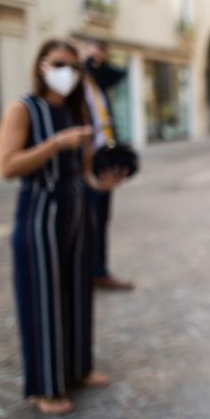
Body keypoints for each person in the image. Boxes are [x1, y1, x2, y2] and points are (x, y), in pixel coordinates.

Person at [0, 39, 125, 414]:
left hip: (78, 210)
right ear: (41, 66)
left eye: (74, 66)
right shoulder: (24, 109)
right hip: (39, 213)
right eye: (58, 63)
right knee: (43, 299)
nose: (66, 72)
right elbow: (7, 166)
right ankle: (46, 388)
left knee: (77, 296)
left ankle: (79, 369)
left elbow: (84, 171)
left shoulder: (77, 111)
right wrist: (55, 144)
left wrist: (104, 183)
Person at [82, 38, 134, 291]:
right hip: (85, 160)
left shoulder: (98, 82)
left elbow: (120, 73)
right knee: (87, 218)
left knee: (101, 217)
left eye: (102, 51)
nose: (98, 55)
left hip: (103, 156)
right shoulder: (78, 85)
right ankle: (88, 272)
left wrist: (100, 61)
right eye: (93, 50)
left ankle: (98, 271)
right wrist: (87, 61)